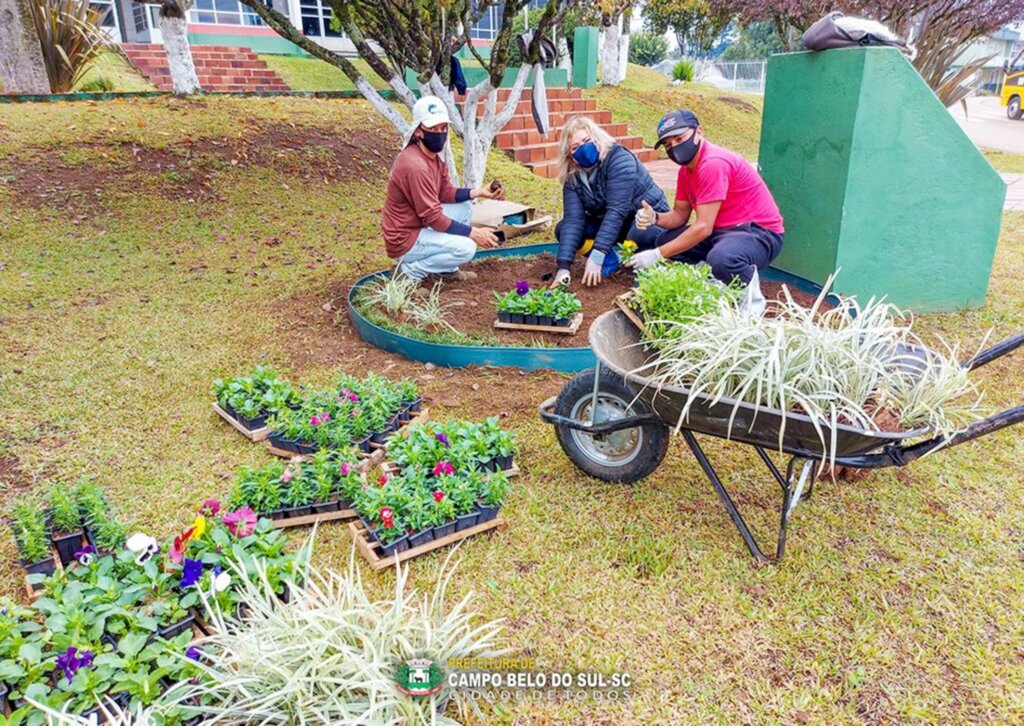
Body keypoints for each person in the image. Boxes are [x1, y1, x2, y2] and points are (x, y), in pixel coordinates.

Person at [627, 109, 785, 286]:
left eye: (679, 138)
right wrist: (654, 217)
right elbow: (679, 216)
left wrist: (657, 254)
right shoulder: (685, 172)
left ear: (699, 132)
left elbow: (703, 227)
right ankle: (711, 275)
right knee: (666, 240)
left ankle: (750, 297)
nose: (675, 147)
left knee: (723, 259)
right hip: (723, 232)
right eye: (668, 145)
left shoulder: (713, 163)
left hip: (758, 232)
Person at [382, 95, 505, 281]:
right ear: (418, 131)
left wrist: (479, 191)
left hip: (418, 225)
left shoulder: (431, 157)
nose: (439, 133)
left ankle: (446, 270)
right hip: (404, 238)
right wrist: (473, 233)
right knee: (467, 247)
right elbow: (432, 217)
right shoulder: (415, 166)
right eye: (433, 129)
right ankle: (408, 273)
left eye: (443, 128)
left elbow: (445, 193)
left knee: (464, 207)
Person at [552, 116, 669, 287]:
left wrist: (597, 255)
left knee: (640, 233)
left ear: (597, 138)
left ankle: (646, 269)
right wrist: (563, 267)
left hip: (648, 220)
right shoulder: (573, 178)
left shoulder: (619, 160)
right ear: (570, 156)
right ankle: (610, 260)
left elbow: (617, 210)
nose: (584, 149)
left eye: (587, 141)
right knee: (563, 229)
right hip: (615, 225)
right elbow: (573, 221)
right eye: (575, 147)